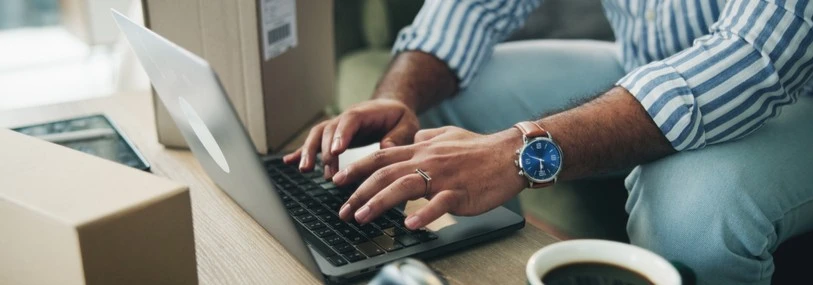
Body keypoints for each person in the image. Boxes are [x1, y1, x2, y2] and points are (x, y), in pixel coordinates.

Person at [284, 1, 813, 284]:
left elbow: (753, 55)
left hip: (794, 91)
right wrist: (399, 94)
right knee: (430, 116)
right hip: (644, 65)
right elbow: (475, 8)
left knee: (691, 209)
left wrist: (518, 150)